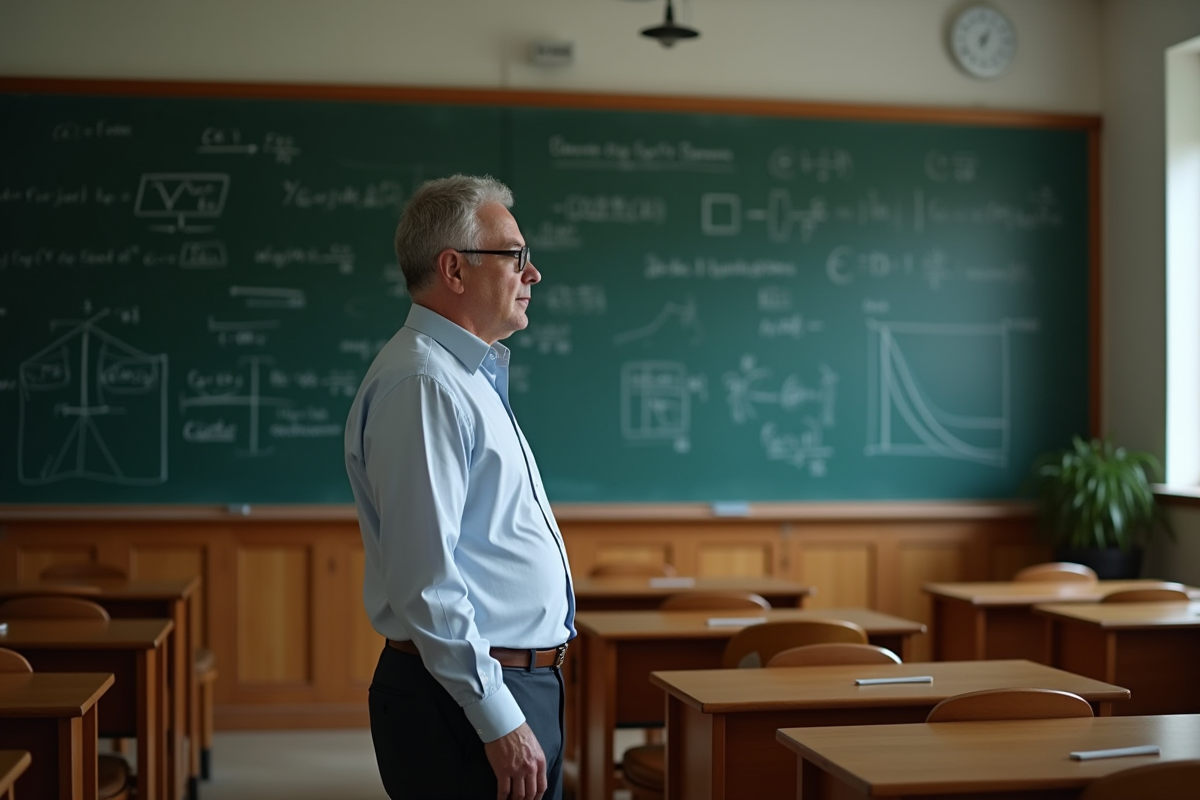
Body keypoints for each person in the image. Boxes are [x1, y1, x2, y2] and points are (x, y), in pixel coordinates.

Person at [344, 174, 575, 800]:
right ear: (455, 269)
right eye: (516, 256)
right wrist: (497, 716)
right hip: (464, 697)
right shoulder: (426, 384)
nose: (533, 275)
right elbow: (427, 581)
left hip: (499, 685)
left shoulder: (462, 373)